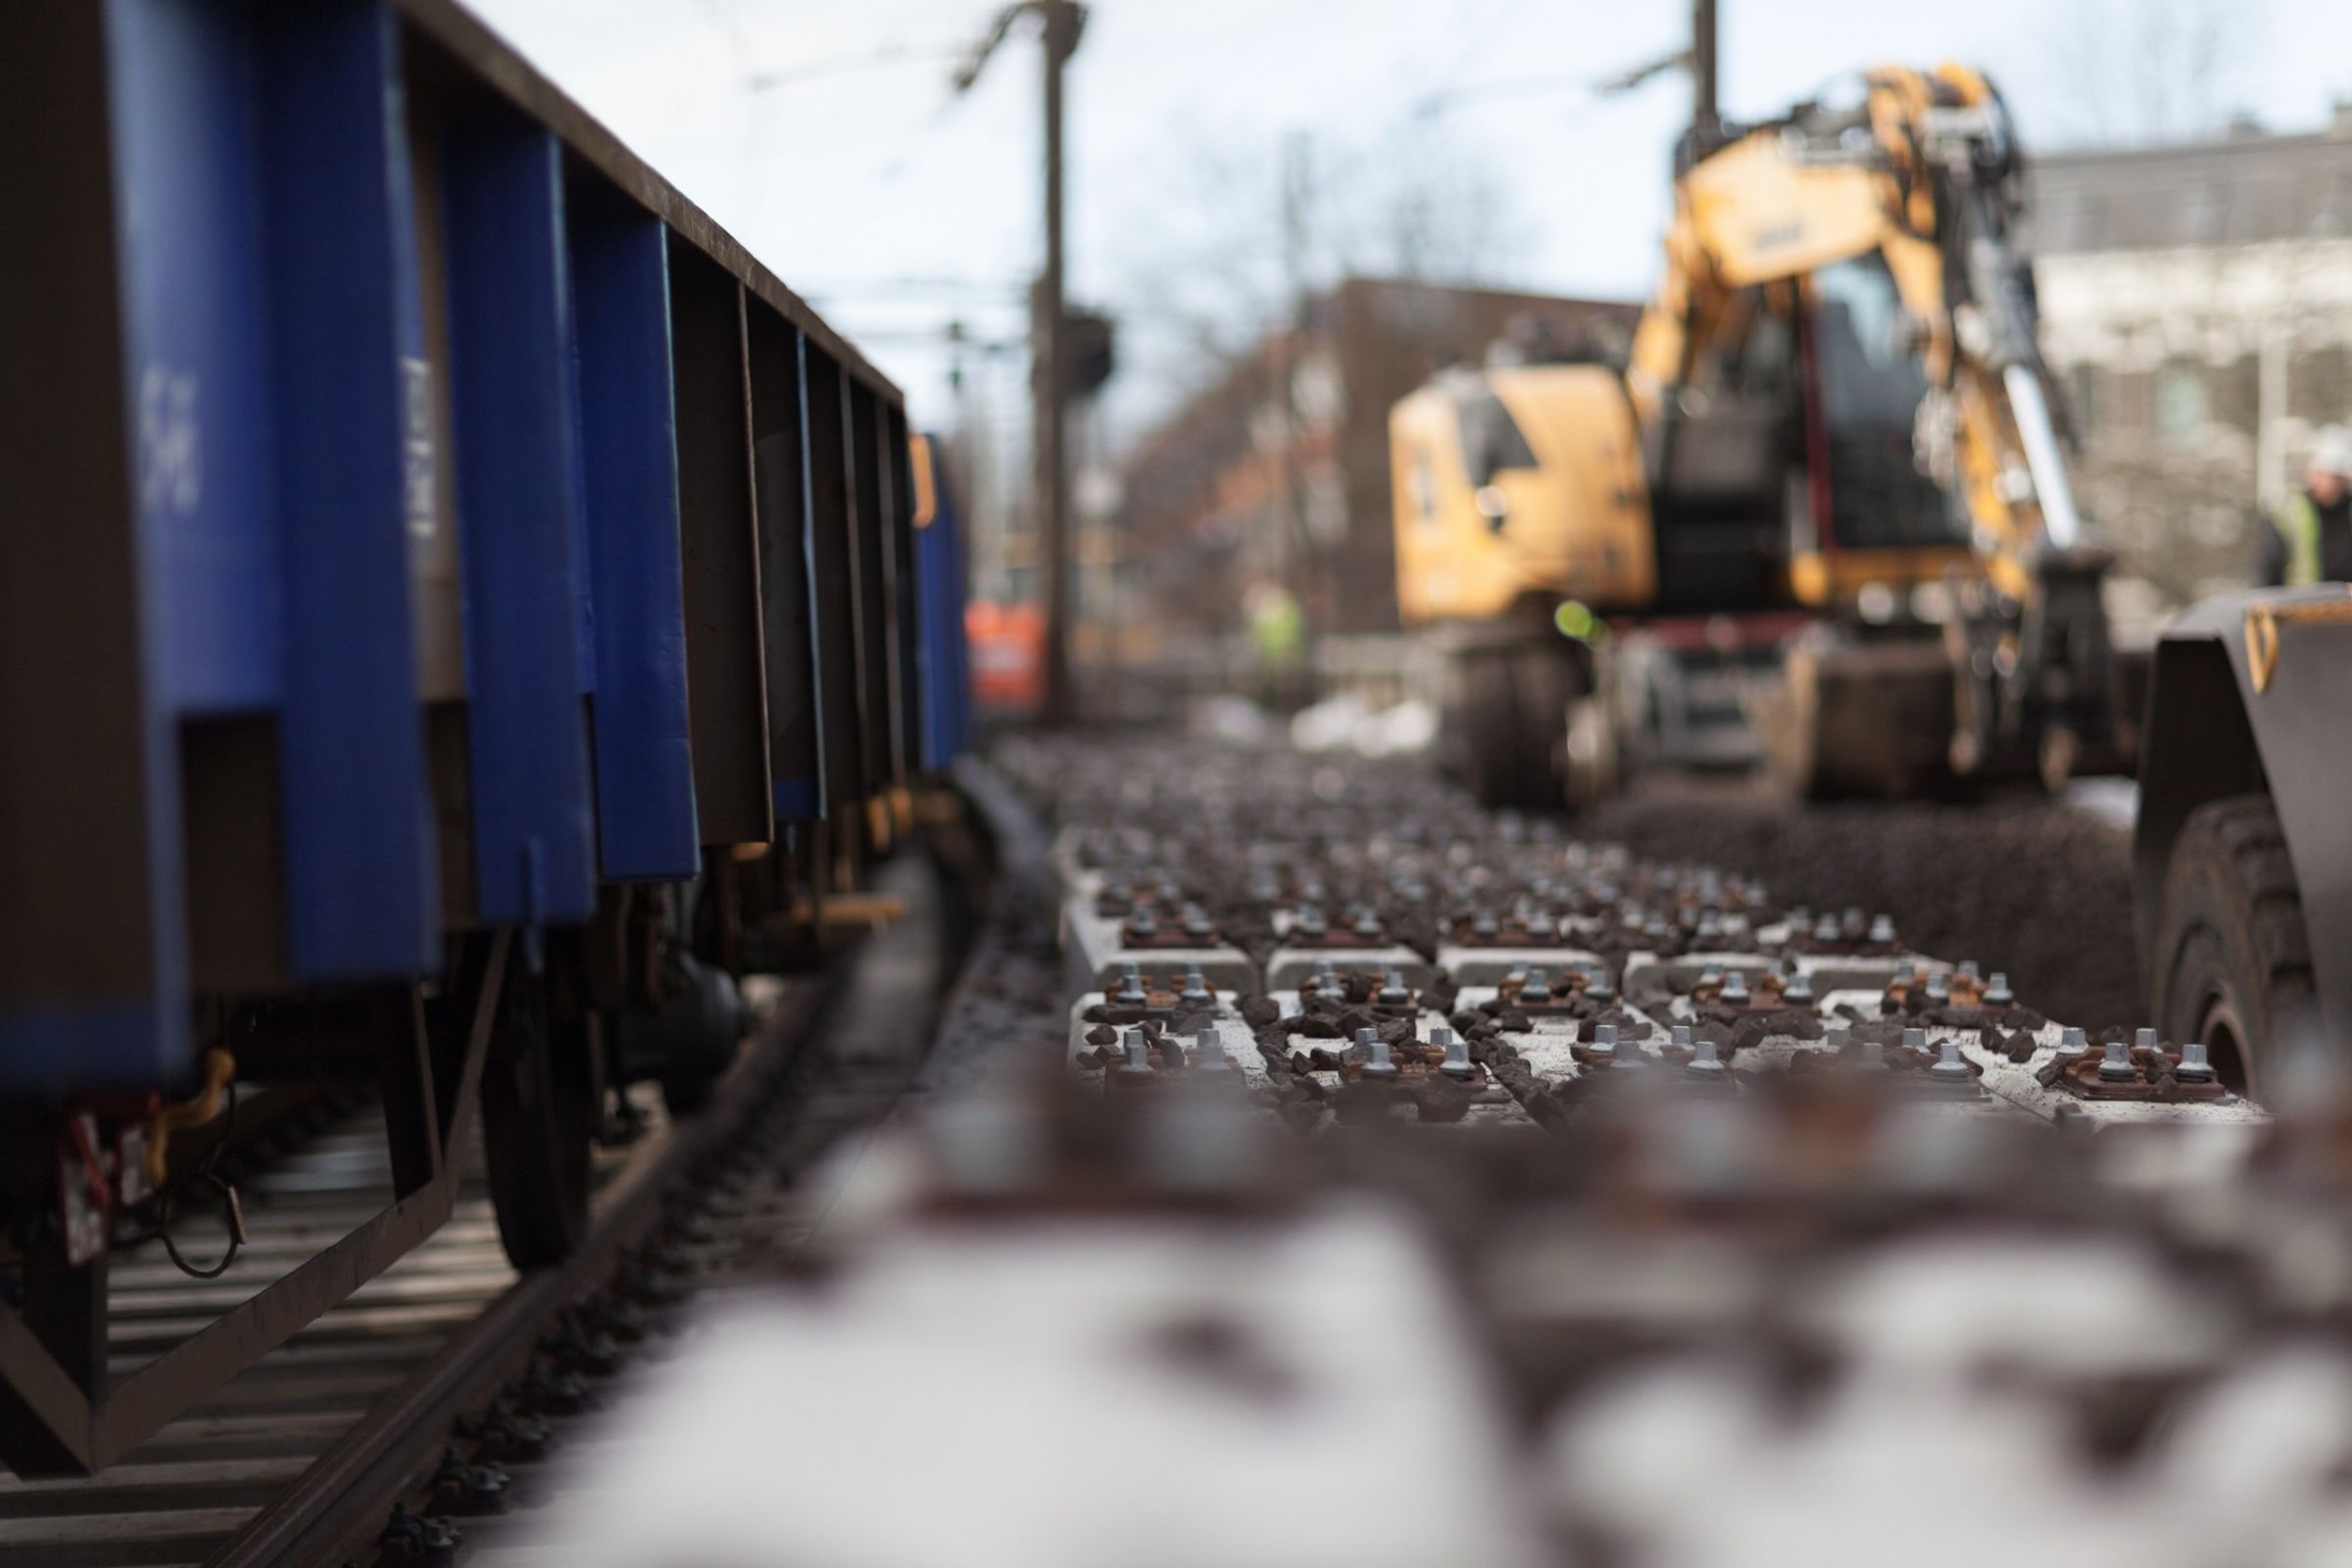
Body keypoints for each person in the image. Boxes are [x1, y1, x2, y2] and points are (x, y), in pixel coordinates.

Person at [2260, 426, 2352, 586]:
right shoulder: (2288, 516)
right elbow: (2267, 570)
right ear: (2312, 473)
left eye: (2337, 477)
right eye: (2326, 476)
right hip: (2299, 606)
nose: (2331, 484)